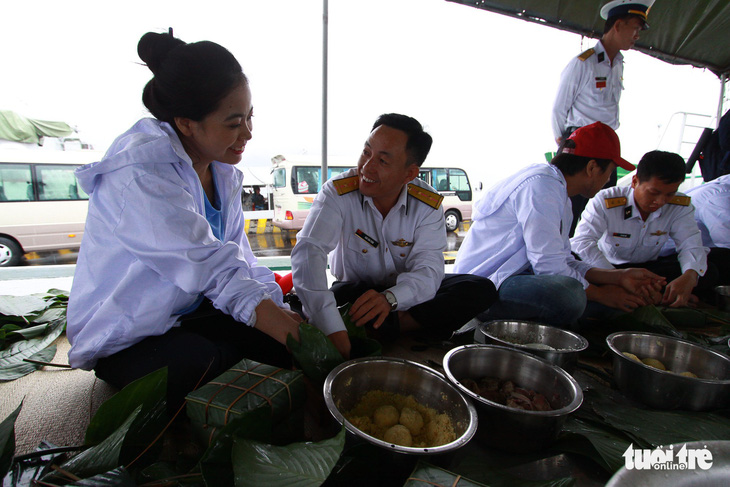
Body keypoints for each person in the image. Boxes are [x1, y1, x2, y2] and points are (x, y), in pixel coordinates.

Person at [66, 31, 301, 412]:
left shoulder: (222, 171)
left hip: (189, 312)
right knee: (202, 364)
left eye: (250, 117)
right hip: (132, 331)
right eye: (234, 122)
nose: (248, 133)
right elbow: (212, 270)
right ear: (186, 123)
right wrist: (293, 333)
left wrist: (286, 316)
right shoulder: (143, 173)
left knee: (274, 340)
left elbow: (239, 260)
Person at [291, 113, 497, 359]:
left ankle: (381, 326)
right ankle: (396, 326)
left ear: (409, 174)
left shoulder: (427, 205)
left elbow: (428, 271)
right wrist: (331, 327)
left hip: (401, 296)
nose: (366, 167)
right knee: (336, 299)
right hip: (355, 294)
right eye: (366, 153)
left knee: (479, 288)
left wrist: (390, 299)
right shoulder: (338, 193)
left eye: (383, 161)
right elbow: (308, 252)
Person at [454, 122, 664, 327]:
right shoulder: (542, 187)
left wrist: (617, 277)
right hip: (482, 288)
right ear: (592, 167)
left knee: (606, 301)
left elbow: (563, 260)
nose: (609, 179)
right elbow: (550, 268)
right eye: (609, 171)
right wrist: (601, 293)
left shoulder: (558, 193)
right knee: (570, 296)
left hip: (513, 279)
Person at [551, 0, 655, 235]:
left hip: (606, 143)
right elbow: (559, 107)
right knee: (569, 206)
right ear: (618, 25)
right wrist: (565, 143)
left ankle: (590, 256)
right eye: (634, 28)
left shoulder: (618, 64)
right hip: (580, 142)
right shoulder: (584, 63)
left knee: (603, 205)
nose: (637, 35)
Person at [572, 151, 713, 307]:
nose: (660, 201)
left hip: (650, 272)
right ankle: (659, 297)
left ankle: (658, 294)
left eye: (670, 194)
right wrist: (616, 278)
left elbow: (690, 243)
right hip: (609, 268)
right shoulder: (606, 201)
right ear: (635, 181)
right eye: (654, 193)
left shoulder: (679, 207)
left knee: (707, 270)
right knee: (573, 268)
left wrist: (690, 277)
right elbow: (582, 242)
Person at [673, 174, 730, 286]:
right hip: (678, 256)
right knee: (725, 260)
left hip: (696, 254)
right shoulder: (718, 197)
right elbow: (727, 242)